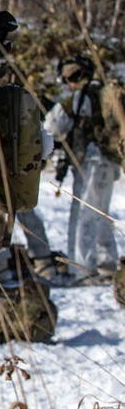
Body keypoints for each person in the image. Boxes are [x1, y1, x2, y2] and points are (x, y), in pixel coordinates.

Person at [44, 55, 121, 282]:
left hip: (90, 163)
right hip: (111, 161)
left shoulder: (78, 98)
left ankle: (82, 270)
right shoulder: (108, 94)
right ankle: (107, 264)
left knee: (84, 215)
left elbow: (50, 126)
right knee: (103, 213)